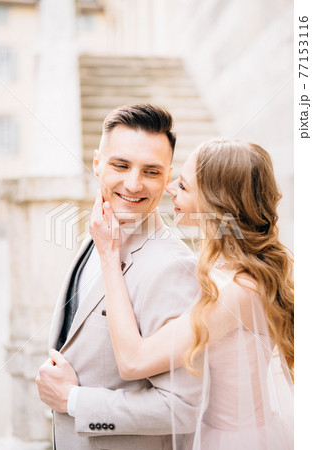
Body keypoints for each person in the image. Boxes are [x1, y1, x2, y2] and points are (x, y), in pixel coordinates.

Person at [90, 139, 294, 449]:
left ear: (216, 204)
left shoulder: (239, 291)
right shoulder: (222, 267)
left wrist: (108, 255)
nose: (170, 189)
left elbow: (133, 361)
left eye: (183, 186)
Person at [36, 104, 204, 450]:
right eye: (121, 165)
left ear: (168, 176)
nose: (133, 184)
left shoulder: (174, 268)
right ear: (97, 163)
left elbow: (183, 408)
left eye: (151, 171)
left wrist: (73, 400)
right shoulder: (99, 230)